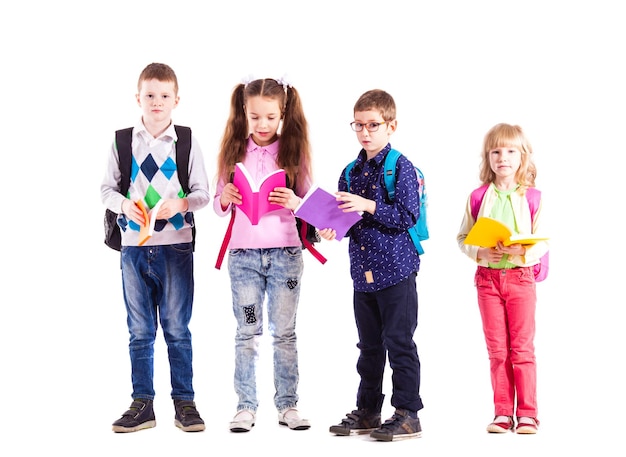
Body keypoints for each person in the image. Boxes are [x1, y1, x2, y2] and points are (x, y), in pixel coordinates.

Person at [101, 62, 211, 433]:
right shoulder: (122, 141)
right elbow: (106, 190)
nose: (157, 102)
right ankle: (142, 402)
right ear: (138, 98)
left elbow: (202, 194)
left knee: (178, 328)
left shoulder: (187, 139)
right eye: (150, 95)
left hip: (176, 247)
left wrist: (181, 204)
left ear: (176, 99)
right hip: (134, 247)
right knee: (140, 330)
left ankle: (185, 402)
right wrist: (122, 205)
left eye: (164, 96)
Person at [321, 89, 423, 442]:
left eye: (373, 125)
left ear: (391, 126)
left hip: (397, 271)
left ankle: (408, 413)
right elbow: (346, 223)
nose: (365, 132)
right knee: (368, 347)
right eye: (359, 125)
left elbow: (408, 216)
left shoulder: (400, 168)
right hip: (362, 275)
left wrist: (368, 204)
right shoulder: (349, 172)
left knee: (399, 342)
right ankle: (367, 411)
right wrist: (330, 227)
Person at [214, 77, 313, 433]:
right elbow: (217, 206)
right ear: (244, 112)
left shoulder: (293, 150)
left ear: (282, 113)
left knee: (284, 332)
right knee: (248, 330)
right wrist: (225, 197)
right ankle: (245, 405)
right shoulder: (232, 149)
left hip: (285, 254)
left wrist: (294, 201)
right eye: (255, 117)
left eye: (270, 117)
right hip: (244, 260)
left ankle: (288, 405)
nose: (262, 125)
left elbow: (311, 206)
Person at [456, 123, 547, 434]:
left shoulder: (533, 197)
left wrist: (524, 252)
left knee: (522, 350)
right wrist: (481, 254)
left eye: (510, 151)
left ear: (522, 157)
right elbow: (463, 237)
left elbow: (544, 240)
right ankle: (502, 413)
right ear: (487, 157)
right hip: (488, 281)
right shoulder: (478, 196)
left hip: (521, 279)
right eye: (496, 151)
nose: (503, 158)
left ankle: (528, 415)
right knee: (497, 351)